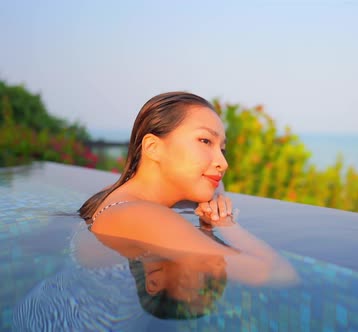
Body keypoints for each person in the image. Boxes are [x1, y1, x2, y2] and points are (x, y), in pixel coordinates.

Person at [76, 91, 298, 318]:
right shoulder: (144, 216)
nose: (223, 163)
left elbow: (216, 190)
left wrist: (209, 197)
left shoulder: (122, 200)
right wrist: (226, 224)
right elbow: (279, 274)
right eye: (205, 141)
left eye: (221, 149)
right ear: (153, 147)